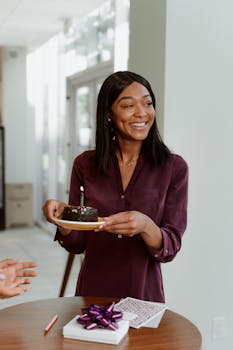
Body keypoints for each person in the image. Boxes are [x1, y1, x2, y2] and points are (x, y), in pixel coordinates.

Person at [42, 71, 188, 303]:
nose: (142, 113)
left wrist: (146, 225)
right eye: (129, 105)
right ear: (109, 113)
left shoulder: (174, 168)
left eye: (148, 103)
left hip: (144, 294)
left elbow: (170, 246)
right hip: (94, 289)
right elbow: (77, 243)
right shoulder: (84, 164)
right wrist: (63, 219)